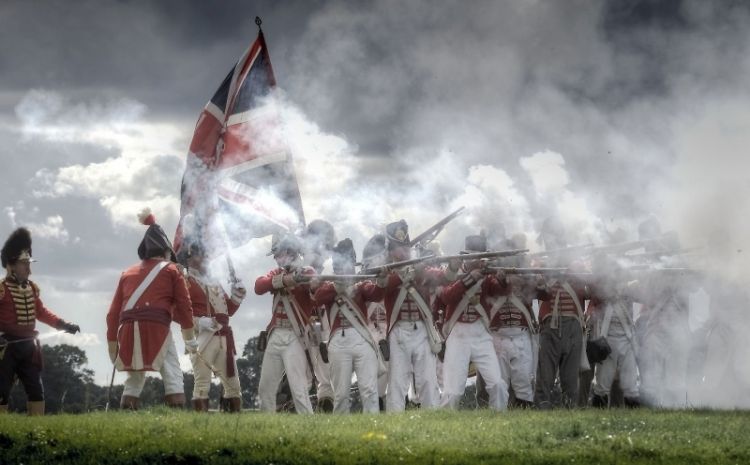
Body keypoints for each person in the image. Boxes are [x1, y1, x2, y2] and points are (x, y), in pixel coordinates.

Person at [106, 208, 197, 410]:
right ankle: (176, 422)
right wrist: (190, 340)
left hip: (128, 330)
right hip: (157, 328)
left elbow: (113, 314)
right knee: (173, 373)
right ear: (166, 251)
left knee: (135, 380)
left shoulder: (127, 273)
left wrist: (113, 343)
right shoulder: (172, 270)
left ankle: (127, 416)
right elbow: (185, 306)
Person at [0, 228, 80, 415]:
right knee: (1, 391)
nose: (29, 269)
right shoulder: (1, 289)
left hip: (29, 347)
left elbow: (42, 313)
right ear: (11, 265)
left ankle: (36, 430)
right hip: (5, 348)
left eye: (28, 263)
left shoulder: (32, 289)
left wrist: (64, 324)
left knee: (36, 390)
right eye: (24, 264)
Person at [377, 220, 445, 412]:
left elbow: (444, 278)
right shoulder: (387, 272)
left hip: (421, 329)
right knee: (397, 381)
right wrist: (399, 276)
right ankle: (395, 419)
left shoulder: (419, 268)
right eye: (398, 248)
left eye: (405, 247)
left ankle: (432, 418)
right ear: (390, 252)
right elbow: (379, 289)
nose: (402, 252)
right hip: (399, 330)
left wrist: (454, 268)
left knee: (427, 380)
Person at [313, 238, 384, 413]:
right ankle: (341, 430)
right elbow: (318, 297)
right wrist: (338, 287)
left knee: (369, 390)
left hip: (362, 339)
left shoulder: (361, 285)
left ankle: (373, 425)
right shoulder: (328, 287)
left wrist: (382, 280)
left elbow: (376, 293)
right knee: (341, 394)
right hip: (338, 342)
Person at [440, 234, 507, 411]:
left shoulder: (487, 274)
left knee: (497, 383)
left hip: (480, 333)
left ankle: (499, 417)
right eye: (475, 257)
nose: (478, 261)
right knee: (453, 390)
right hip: (458, 333)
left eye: (481, 257)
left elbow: (500, 291)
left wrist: (502, 279)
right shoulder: (453, 273)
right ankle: (446, 421)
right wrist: (469, 278)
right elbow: (447, 296)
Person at [255, 234, 317, 414]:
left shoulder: (307, 271)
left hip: (295, 335)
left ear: (289, 251)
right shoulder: (277, 274)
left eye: (278, 254)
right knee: (265, 387)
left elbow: (314, 288)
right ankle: (266, 426)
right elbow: (259, 286)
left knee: (299, 389)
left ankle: (308, 423)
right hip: (275, 334)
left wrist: (302, 280)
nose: (276, 258)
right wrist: (284, 280)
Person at [183, 241, 246, 412]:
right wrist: (198, 321)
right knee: (202, 383)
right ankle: (200, 423)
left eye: (205, 255)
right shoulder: (185, 281)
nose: (205, 259)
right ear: (189, 259)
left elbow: (227, 311)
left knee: (233, 385)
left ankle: (232, 422)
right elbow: (178, 312)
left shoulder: (214, 281)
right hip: (204, 335)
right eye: (200, 255)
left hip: (224, 336)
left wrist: (236, 296)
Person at [300, 220, 336, 412]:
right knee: (301, 370)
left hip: (324, 323)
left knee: (326, 368)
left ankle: (325, 404)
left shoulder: (331, 266)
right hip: (301, 322)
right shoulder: (300, 264)